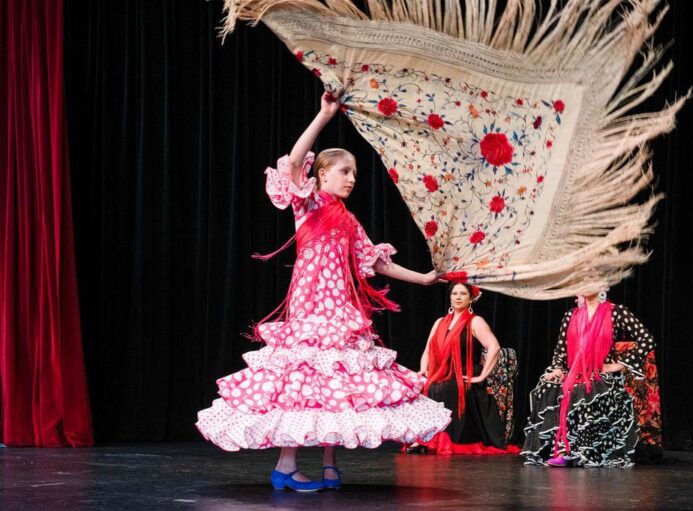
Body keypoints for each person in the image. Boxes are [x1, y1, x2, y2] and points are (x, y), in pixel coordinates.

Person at [196, 92, 451, 491]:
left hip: (340, 307)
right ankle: (285, 466)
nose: (351, 178)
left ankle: (330, 466)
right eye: (345, 171)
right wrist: (323, 114)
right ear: (323, 176)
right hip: (312, 304)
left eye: (354, 173)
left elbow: (376, 261)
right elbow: (296, 162)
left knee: (335, 383)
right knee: (305, 377)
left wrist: (422, 278)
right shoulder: (310, 204)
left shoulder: (349, 221)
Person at [521, 289, 655, 468]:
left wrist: (620, 364)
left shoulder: (616, 312)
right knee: (548, 386)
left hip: (602, 376)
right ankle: (562, 449)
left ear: (603, 286)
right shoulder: (571, 315)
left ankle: (581, 451)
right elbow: (560, 351)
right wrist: (557, 368)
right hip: (574, 373)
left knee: (583, 390)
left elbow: (647, 339)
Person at [407, 282, 518, 454]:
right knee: (425, 386)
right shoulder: (440, 322)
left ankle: (437, 440)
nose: (458, 297)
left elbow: (494, 347)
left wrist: (481, 377)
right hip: (442, 373)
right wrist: (423, 370)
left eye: (463, 294)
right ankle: (423, 438)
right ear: (450, 297)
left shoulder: (475, 322)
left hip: (464, 374)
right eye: (455, 294)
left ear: (471, 298)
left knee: (444, 388)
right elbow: (428, 350)